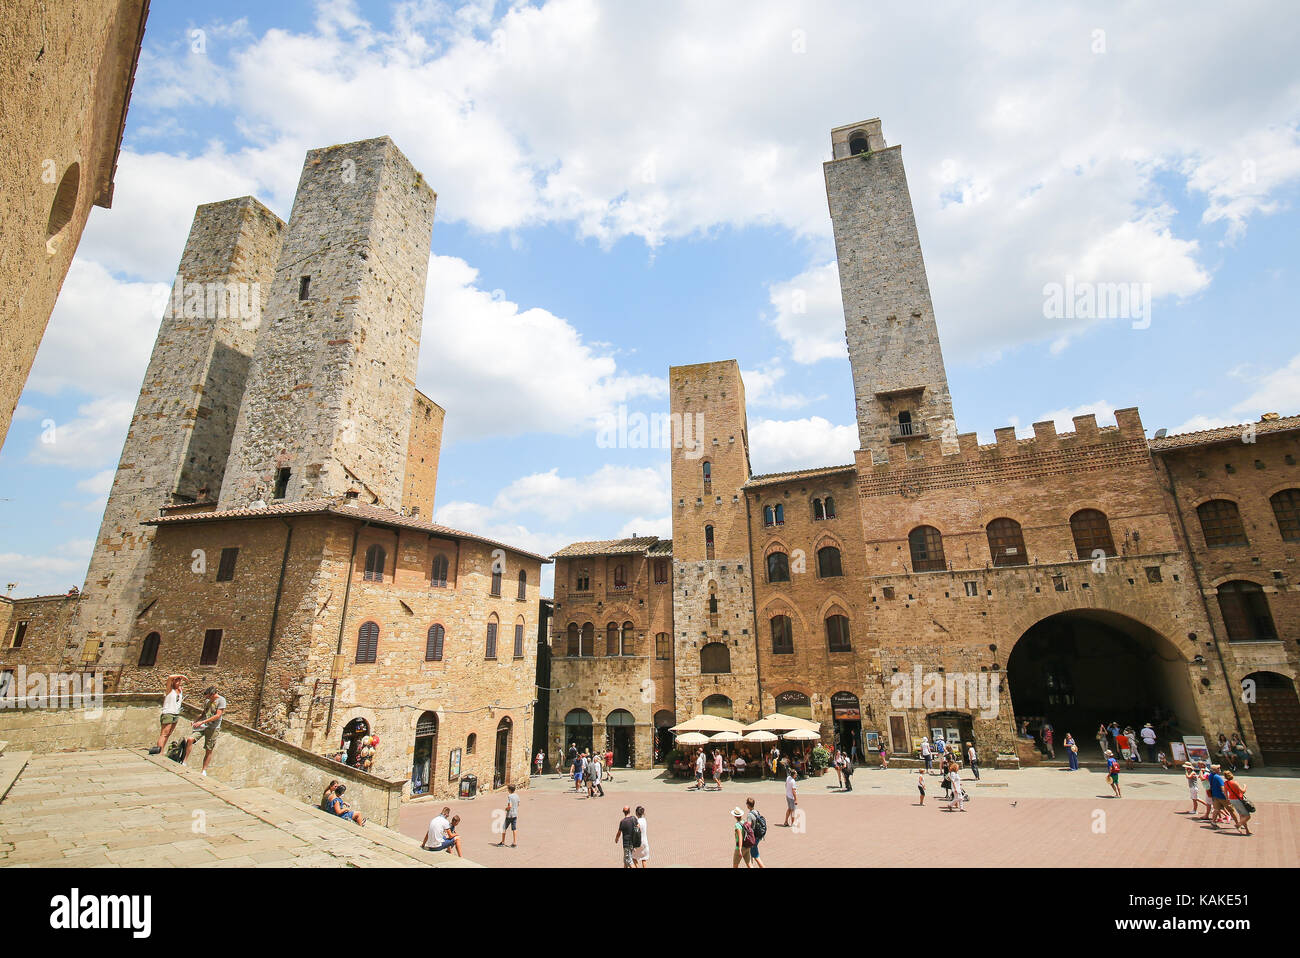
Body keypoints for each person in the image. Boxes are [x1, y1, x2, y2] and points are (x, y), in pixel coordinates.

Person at [181, 686, 226, 776]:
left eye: (209, 697)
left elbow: (218, 715)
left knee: (209, 749)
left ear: (213, 694)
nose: (207, 699)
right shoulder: (207, 701)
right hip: (203, 726)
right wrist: (195, 721)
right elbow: (203, 713)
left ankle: (204, 770)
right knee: (190, 739)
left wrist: (203, 721)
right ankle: (184, 761)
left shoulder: (221, 700)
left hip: (213, 728)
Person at [150, 674, 187, 755]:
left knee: (168, 734)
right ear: (173, 681)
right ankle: (159, 751)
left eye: (179, 680)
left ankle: (162, 750)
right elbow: (170, 677)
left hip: (176, 714)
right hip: (168, 713)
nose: (178, 682)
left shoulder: (180, 690)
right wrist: (181, 675)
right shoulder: (170, 690)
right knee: (164, 734)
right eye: (177, 680)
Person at [1223, 771, 1252, 836]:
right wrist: (1245, 786)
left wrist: (1227, 799)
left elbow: (1225, 792)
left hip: (1232, 800)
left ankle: (1247, 830)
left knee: (1242, 815)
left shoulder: (1226, 783)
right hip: (1238, 800)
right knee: (1247, 816)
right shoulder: (1234, 783)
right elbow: (1243, 791)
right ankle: (1238, 825)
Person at [743, 797, 766, 868]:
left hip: (753, 837)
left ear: (747, 805)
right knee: (751, 854)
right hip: (758, 835)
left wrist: (744, 824)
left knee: (756, 856)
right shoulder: (756, 812)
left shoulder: (750, 814)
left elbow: (749, 825)